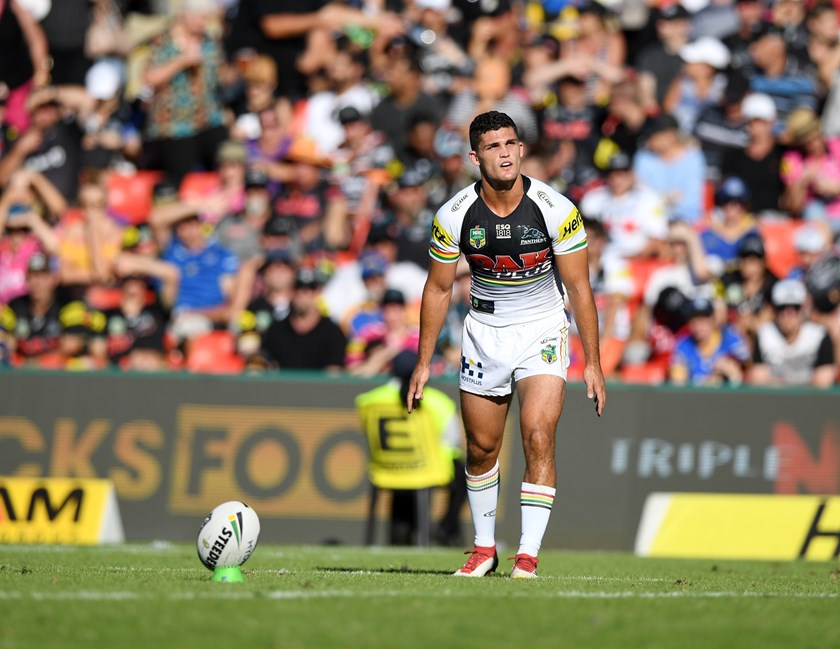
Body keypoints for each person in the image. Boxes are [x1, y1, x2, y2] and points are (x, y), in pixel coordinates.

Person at [406, 111, 606, 579]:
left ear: (521, 149)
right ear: (475, 157)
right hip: (484, 332)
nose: (505, 154)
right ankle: (483, 549)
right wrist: (422, 362)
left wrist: (593, 362)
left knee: (538, 433)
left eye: (511, 144)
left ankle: (527, 557)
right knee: (480, 447)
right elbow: (438, 289)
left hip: (542, 329)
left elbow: (580, 288)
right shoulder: (453, 215)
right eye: (493, 147)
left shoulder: (556, 209)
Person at [355, 350, 467, 546]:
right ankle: (446, 529)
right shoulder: (437, 402)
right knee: (465, 473)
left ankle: (403, 533)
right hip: (427, 471)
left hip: (386, 470)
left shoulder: (368, 401)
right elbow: (452, 442)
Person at [749, 278, 837, 387]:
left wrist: (777, 382)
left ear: (803, 309)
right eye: (782, 307)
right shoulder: (764, 334)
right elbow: (758, 380)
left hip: (808, 398)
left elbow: (824, 382)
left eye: (795, 307)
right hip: (774, 397)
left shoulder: (819, 336)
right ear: (774, 309)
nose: (788, 314)